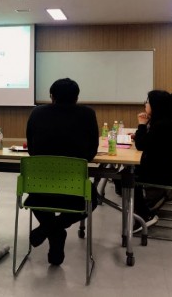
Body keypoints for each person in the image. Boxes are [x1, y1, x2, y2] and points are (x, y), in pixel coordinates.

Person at [25, 78, 99, 266]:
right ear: (77, 97)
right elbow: (91, 153)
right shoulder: (88, 114)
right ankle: (56, 229)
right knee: (92, 199)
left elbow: (32, 150)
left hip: (40, 188)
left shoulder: (37, 113)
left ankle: (50, 228)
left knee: (36, 200)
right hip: (75, 191)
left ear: (52, 96)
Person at [133, 90, 172, 232]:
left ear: (156, 105)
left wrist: (141, 125)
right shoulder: (170, 121)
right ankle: (151, 203)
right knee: (131, 170)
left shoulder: (162, 125)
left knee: (127, 175)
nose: (145, 104)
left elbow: (141, 145)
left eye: (147, 102)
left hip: (166, 175)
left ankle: (144, 215)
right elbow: (149, 142)